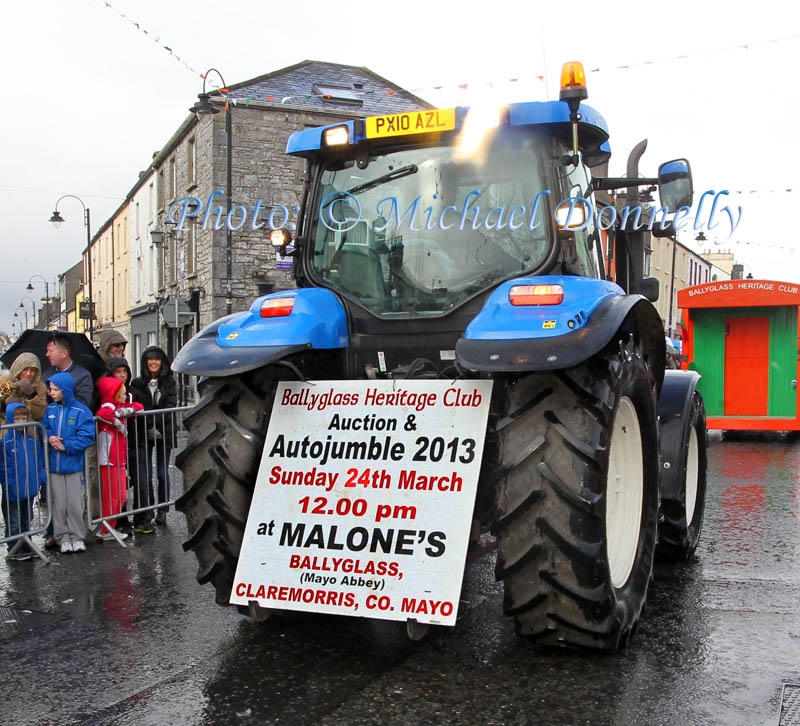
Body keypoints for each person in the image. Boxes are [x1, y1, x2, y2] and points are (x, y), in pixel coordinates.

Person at [43, 372, 95, 554]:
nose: (52, 392)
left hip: (73, 466)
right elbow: (45, 428)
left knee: (74, 503)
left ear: (65, 390)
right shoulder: (50, 410)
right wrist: (49, 437)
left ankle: (77, 536)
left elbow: (87, 436)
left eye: (55, 389)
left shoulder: (81, 411)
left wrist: (66, 446)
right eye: (50, 389)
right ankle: (62, 537)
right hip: (55, 468)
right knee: (59, 504)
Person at [130, 346, 177, 528]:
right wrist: (149, 424)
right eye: (150, 359)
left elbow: (170, 405)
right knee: (147, 473)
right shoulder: (137, 383)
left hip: (164, 432)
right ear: (145, 362)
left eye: (157, 359)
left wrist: (155, 423)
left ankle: (163, 510)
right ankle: (149, 508)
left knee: (162, 472)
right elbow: (139, 406)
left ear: (163, 362)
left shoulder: (169, 382)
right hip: (144, 432)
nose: (154, 362)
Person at [95, 377, 143, 541]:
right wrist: (117, 420)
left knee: (121, 496)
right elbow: (103, 413)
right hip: (108, 460)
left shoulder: (117, 406)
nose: (125, 396)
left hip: (118, 459)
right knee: (112, 497)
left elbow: (138, 407)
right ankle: (106, 529)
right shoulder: (108, 406)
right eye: (122, 394)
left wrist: (125, 411)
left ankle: (109, 527)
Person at [1, 404, 46, 561]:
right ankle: (14, 548)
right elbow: (4, 467)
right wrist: (9, 484)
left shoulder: (32, 442)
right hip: (13, 490)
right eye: (16, 419)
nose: (20, 422)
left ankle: (27, 545)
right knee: (13, 521)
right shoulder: (5, 443)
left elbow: (40, 462)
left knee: (27, 518)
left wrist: (41, 478)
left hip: (29, 488)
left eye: (23, 418)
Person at [42, 334, 93, 408]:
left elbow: (83, 404)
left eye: (50, 351)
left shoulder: (82, 376)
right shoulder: (45, 375)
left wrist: (61, 395)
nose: (47, 354)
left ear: (64, 353)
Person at [0, 352, 48, 421]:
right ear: (18, 368)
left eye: (33, 370)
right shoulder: (3, 381)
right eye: (25, 369)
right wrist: (4, 403)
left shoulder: (40, 386)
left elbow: (40, 415)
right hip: (6, 429)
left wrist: (32, 395)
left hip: (28, 429)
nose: (28, 373)